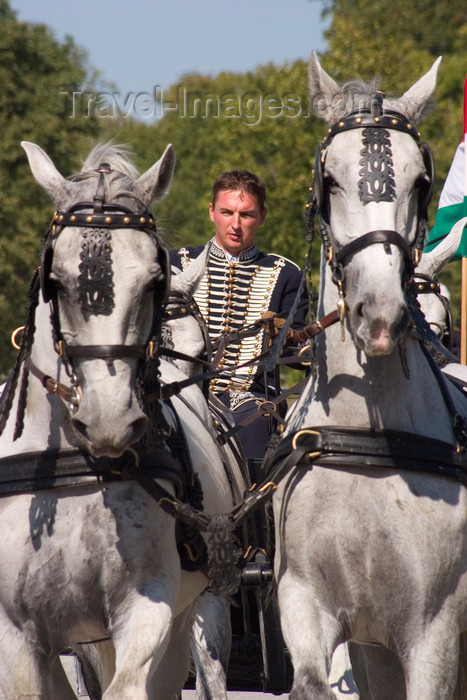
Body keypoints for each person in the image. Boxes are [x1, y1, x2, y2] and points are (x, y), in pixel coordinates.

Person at [170, 170, 308, 464]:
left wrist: (312, 347)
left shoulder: (286, 274)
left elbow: (297, 346)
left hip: (252, 404)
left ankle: (258, 510)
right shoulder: (175, 264)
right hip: (180, 394)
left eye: (246, 215)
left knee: (257, 422)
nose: (235, 225)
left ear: (262, 216)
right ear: (211, 212)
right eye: (226, 212)